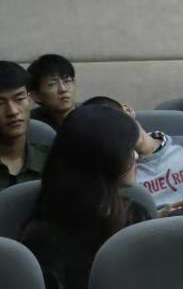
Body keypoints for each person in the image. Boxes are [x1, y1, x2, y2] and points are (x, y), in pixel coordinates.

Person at [21, 105, 150, 289]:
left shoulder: (136, 214)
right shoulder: (44, 239)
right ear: (104, 159)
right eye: (128, 150)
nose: (136, 156)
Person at [83, 95, 183, 212]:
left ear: (128, 111)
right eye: (110, 132)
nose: (120, 132)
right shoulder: (122, 176)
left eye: (118, 122)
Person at [0, 61, 49, 192]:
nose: (13, 111)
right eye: (0, 103)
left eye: (19, 99)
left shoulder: (52, 161)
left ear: (30, 99)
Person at [28, 54, 78, 130]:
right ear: (36, 96)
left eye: (67, 81)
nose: (63, 89)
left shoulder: (91, 118)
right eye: (52, 84)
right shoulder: (31, 125)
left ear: (74, 83)